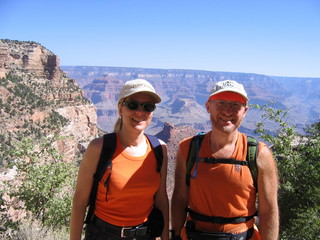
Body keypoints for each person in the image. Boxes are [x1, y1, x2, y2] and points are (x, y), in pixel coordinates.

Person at [171, 80, 279, 240]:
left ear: (245, 111)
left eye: (236, 105)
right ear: (208, 107)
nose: (227, 111)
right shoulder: (188, 149)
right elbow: (180, 199)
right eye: (221, 103)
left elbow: (268, 210)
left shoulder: (259, 154)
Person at [70, 79, 169, 240]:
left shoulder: (159, 149)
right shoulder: (99, 148)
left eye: (148, 107)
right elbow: (80, 201)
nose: (140, 112)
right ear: (120, 108)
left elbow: (161, 200)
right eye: (133, 105)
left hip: (145, 234)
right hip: (103, 234)